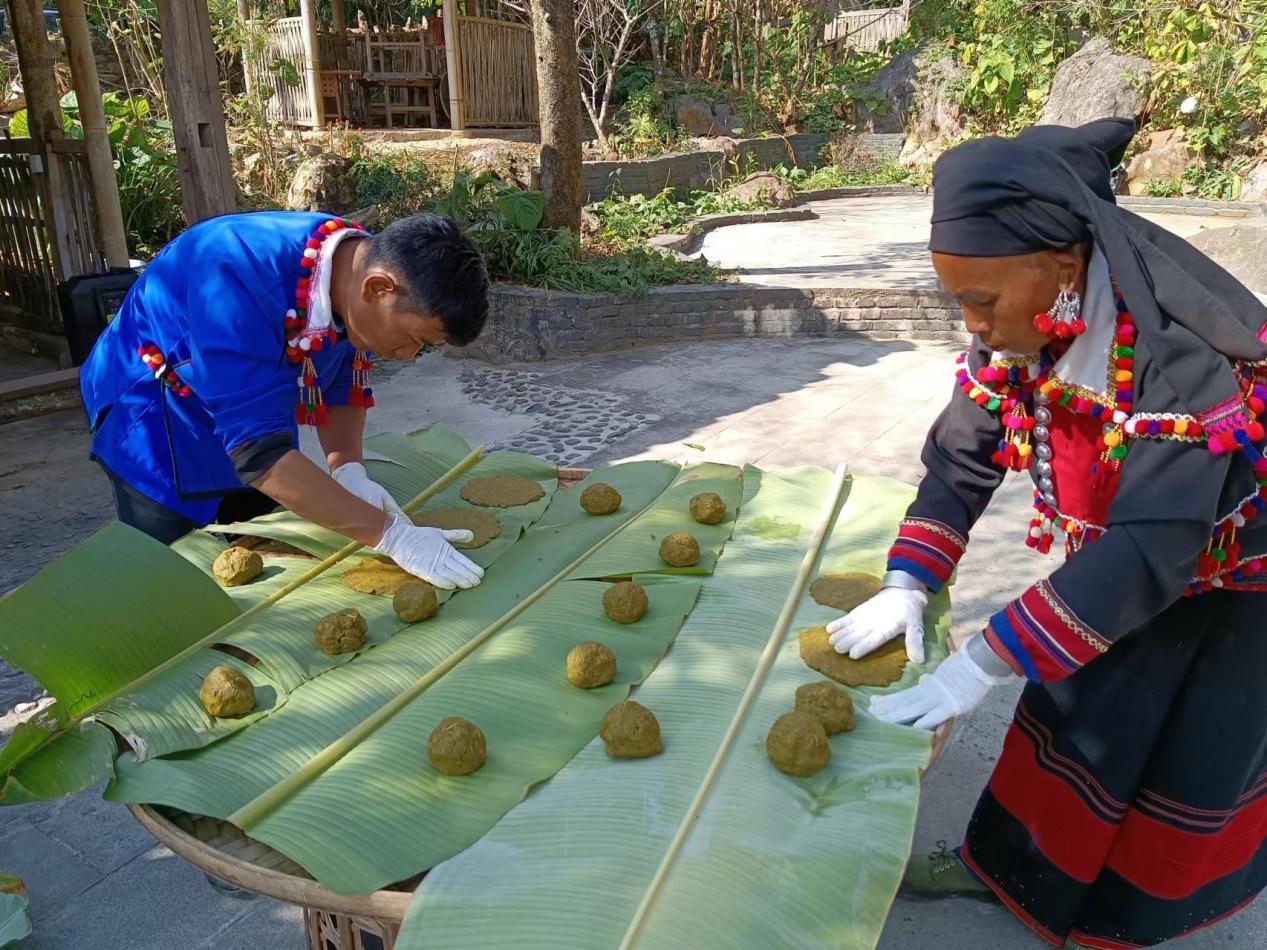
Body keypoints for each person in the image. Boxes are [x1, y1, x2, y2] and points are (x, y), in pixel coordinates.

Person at [827, 118, 1267, 949]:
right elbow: (964, 453)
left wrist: (978, 663)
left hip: (1222, 578)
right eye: (958, 301)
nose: (974, 325)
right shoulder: (1020, 333)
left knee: (1175, 747)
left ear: (1063, 268)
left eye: (980, 301)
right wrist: (906, 580)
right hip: (1122, 556)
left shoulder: (1174, 365)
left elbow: (1150, 550)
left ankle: (1125, 925)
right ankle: (1008, 873)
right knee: (1067, 713)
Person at [80, 211, 490, 590]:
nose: (406, 356)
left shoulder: (355, 264)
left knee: (264, 546)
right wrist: (391, 535)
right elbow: (259, 456)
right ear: (377, 288)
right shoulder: (233, 275)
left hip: (247, 407)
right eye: (415, 340)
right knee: (175, 575)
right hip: (155, 415)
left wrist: (348, 469)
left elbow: (345, 374)